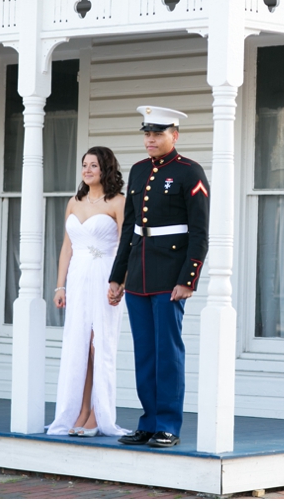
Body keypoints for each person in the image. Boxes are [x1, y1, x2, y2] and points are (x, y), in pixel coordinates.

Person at [109, 106, 210, 448]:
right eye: (147, 134)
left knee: (168, 353)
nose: (150, 140)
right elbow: (130, 229)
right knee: (145, 354)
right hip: (138, 273)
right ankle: (148, 422)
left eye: (158, 134)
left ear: (174, 135)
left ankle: (168, 424)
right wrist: (118, 275)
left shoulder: (189, 172)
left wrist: (188, 278)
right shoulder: (137, 171)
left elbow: (199, 232)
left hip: (170, 275)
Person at [46, 146, 129, 438]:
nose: (87, 170)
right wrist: (60, 285)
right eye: (84, 165)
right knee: (78, 345)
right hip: (78, 277)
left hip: (105, 275)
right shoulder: (74, 202)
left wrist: (120, 281)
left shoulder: (118, 202)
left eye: (93, 165)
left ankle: (98, 413)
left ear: (106, 169)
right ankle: (80, 410)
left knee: (99, 344)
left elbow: (126, 245)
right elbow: (67, 247)